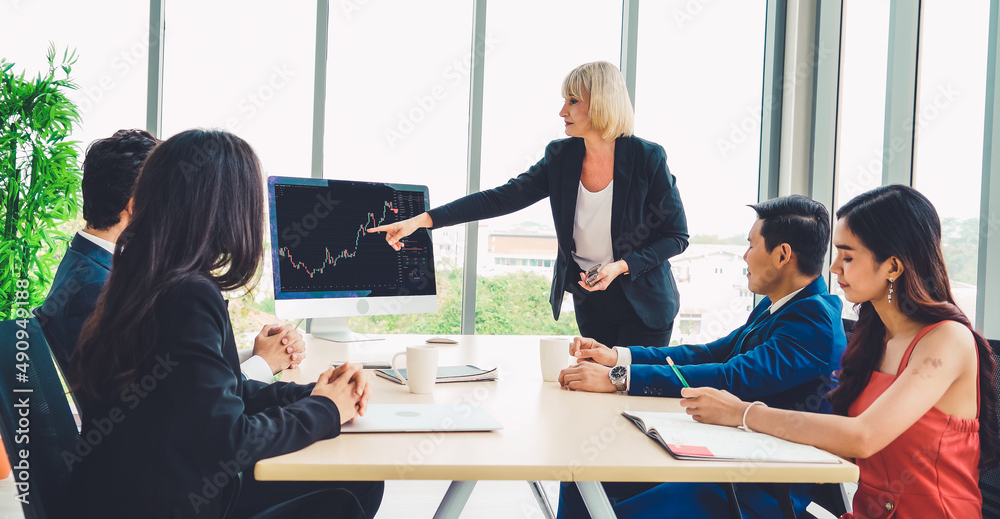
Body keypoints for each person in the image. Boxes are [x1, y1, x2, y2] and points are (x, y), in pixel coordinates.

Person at [69, 130, 383, 518]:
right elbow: (230, 440)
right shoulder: (186, 294)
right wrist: (326, 409)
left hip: (141, 491)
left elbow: (222, 393)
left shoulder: (143, 275)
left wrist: (314, 394)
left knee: (354, 477)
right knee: (356, 484)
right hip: (177, 501)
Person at [682, 185, 999, 518]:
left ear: (892, 267)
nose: (834, 268)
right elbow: (846, 445)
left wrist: (743, 414)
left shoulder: (946, 340)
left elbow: (862, 437)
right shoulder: (875, 341)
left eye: (847, 256)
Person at [557, 195, 846, 518]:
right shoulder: (782, 304)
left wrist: (618, 380)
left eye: (751, 245)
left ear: (782, 255)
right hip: (726, 460)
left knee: (592, 486)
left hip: (753, 487)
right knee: (579, 479)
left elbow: (731, 377)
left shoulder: (814, 320)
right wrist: (618, 357)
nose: (745, 255)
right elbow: (710, 353)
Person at [370, 61, 688, 347]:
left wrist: (621, 266)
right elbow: (502, 197)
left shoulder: (647, 158)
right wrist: (422, 220)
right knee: (595, 393)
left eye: (573, 101)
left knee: (629, 395)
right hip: (592, 302)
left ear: (602, 104)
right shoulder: (561, 157)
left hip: (644, 305)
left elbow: (676, 236)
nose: (562, 111)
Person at [37, 128, 305, 383]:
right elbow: (163, 403)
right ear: (137, 205)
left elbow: (176, 371)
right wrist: (263, 364)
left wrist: (258, 355)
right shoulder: (94, 290)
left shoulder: (86, 264)